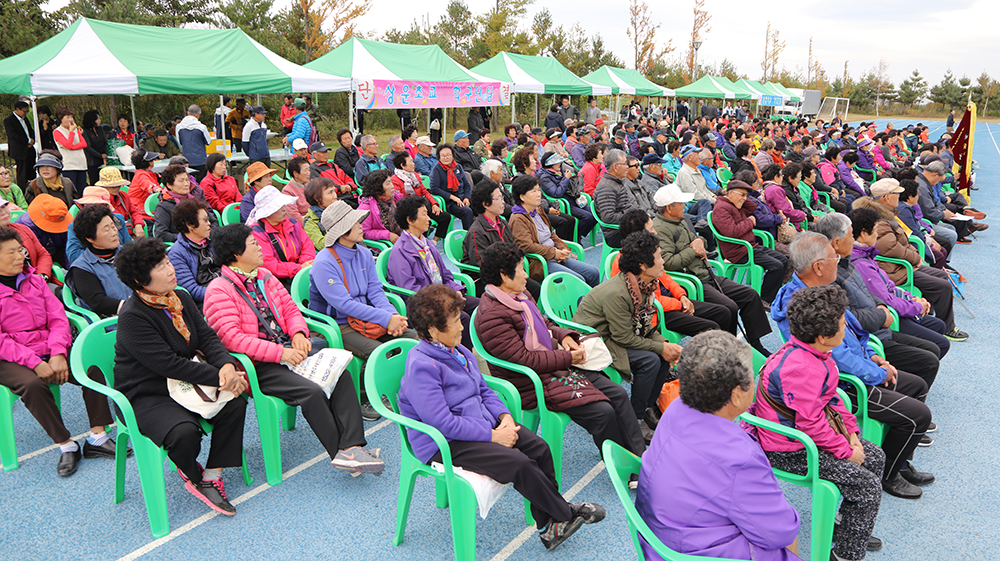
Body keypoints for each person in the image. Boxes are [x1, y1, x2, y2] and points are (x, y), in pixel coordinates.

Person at [398, 284, 606, 550]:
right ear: (433, 331)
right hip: (445, 443)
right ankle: (563, 513)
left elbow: (483, 389)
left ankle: (547, 525)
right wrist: (493, 436)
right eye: (454, 323)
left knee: (539, 448)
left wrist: (503, 415)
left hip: (481, 422)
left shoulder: (458, 351)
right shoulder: (422, 367)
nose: (462, 328)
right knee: (520, 464)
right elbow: (443, 423)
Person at [203, 223, 383, 474]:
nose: (258, 246)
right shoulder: (219, 290)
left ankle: (351, 446)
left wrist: (298, 333)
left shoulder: (264, 276)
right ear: (235, 253)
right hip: (259, 365)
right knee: (311, 392)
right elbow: (233, 339)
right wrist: (280, 353)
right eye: (252, 243)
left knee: (340, 372)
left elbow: (290, 310)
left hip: (289, 352)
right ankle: (342, 452)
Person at [771, 233, 936, 501]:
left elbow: (858, 333)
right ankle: (889, 475)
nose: (839, 260)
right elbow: (833, 357)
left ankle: (899, 461)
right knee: (919, 416)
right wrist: (878, 373)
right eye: (834, 257)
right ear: (818, 266)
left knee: (917, 384)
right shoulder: (805, 306)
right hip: (844, 386)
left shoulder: (825, 291)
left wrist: (873, 356)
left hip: (857, 369)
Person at [637, 331, 802, 561]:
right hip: (697, 552)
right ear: (736, 395)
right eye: (752, 377)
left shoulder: (675, 410)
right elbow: (779, 534)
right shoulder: (739, 457)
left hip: (659, 540)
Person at [113, 237, 248, 515]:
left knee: (236, 401)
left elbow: (208, 337)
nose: (170, 269)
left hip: (184, 383)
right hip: (146, 392)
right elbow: (169, 365)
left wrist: (226, 366)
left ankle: (210, 477)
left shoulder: (180, 297)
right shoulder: (133, 317)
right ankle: (190, 472)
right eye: (161, 267)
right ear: (140, 280)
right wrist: (221, 377)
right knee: (184, 432)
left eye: (167, 262)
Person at [476, 241, 645, 456]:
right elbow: (524, 360)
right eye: (520, 268)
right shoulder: (492, 315)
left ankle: (638, 457)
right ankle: (620, 462)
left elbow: (544, 323)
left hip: (555, 366)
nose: (526, 274)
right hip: (531, 382)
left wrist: (564, 336)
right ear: (503, 275)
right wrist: (568, 357)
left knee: (618, 394)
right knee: (603, 411)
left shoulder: (520, 296)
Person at [755, 285, 884, 561]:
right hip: (788, 450)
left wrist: (851, 433)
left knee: (875, 457)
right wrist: (847, 451)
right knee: (868, 487)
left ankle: (846, 525)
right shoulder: (801, 367)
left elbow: (831, 401)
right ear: (825, 337)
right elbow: (811, 424)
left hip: (804, 435)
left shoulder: (814, 353)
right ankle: (847, 555)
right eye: (841, 323)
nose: (845, 326)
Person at [0, 225, 123, 477]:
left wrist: (57, 353)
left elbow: (57, 319)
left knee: (90, 366)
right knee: (32, 385)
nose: (20, 257)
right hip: (11, 356)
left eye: (20, 250)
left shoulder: (34, 280)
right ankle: (66, 444)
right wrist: (34, 362)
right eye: (11, 252)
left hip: (47, 346)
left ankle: (97, 437)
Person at [308, 200, 417, 419]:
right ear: (341, 232)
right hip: (339, 324)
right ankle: (363, 396)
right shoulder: (324, 262)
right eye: (355, 222)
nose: (361, 225)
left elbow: (376, 291)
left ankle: (405, 386)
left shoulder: (363, 253)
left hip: (367, 319)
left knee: (412, 337)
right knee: (376, 350)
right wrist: (386, 320)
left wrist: (392, 316)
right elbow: (344, 305)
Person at [573, 231, 682, 427]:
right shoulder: (618, 293)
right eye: (658, 257)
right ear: (642, 265)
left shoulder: (643, 285)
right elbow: (624, 337)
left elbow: (643, 324)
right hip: (595, 340)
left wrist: (665, 344)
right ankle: (635, 418)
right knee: (650, 360)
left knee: (663, 356)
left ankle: (648, 407)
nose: (662, 261)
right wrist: (660, 348)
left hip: (613, 334)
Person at [653, 184, 773, 355]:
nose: (685, 206)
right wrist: (692, 249)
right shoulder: (660, 229)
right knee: (729, 307)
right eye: (681, 203)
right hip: (691, 279)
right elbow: (669, 263)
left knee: (750, 295)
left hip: (705, 272)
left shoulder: (680, 219)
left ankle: (756, 343)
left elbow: (696, 238)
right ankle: (727, 352)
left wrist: (700, 241)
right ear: (669, 207)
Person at [854, 178, 966, 340]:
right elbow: (890, 247)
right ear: (886, 197)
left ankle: (928, 314)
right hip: (894, 268)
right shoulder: (878, 217)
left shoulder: (887, 212)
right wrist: (915, 257)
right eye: (897, 194)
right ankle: (947, 328)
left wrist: (914, 254)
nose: (900, 196)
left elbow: (904, 239)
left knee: (941, 276)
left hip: (901, 264)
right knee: (942, 286)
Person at [614, 209, 731, 339]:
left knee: (723, 312)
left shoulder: (648, 252)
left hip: (670, 301)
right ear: (640, 235)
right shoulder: (627, 262)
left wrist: (681, 296)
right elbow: (646, 302)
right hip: (657, 312)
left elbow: (666, 278)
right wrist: (680, 304)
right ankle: (714, 356)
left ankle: (729, 353)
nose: (656, 232)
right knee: (712, 327)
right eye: (652, 229)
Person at [388, 196, 480, 348]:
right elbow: (409, 289)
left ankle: (474, 349)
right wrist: (444, 298)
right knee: (461, 317)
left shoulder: (427, 244)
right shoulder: (400, 251)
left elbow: (445, 273)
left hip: (441, 296)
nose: (429, 219)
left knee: (480, 305)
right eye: (424, 214)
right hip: (423, 305)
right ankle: (461, 356)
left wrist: (455, 290)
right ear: (410, 220)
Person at [509, 175, 599, 287]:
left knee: (594, 272)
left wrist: (563, 248)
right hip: (540, 262)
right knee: (577, 280)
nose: (538, 194)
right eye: (533, 191)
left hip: (555, 255)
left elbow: (551, 234)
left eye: (538, 190)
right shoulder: (518, 218)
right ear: (522, 197)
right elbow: (527, 246)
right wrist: (554, 253)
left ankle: (593, 303)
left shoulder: (537, 211)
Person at [712, 181, 788, 304]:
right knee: (776, 266)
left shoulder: (735, 205)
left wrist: (741, 198)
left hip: (750, 247)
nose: (744, 198)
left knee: (783, 259)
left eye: (746, 195)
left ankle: (772, 296)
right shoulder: (721, 208)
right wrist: (749, 222)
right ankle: (765, 299)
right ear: (730, 193)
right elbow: (732, 232)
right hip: (739, 251)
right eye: (742, 194)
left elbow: (752, 207)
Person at [463, 179, 541, 299]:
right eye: (499, 198)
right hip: (486, 278)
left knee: (534, 288)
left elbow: (513, 249)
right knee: (523, 293)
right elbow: (481, 264)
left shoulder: (503, 222)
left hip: (507, 273)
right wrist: (508, 275)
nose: (503, 202)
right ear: (485, 204)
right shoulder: (476, 231)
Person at [65, 203, 133, 316]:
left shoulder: (129, 253)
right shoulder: (82, 268)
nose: (114, 233)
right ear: (90, 237)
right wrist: (134, 308)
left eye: (113, 226)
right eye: (107, 230)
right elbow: (97, 301)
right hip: (112, 324)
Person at [245, 185, 315, 286]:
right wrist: (298, 268)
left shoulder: (293, 223)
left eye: (283, 204)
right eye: (278, 206)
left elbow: (308, 245)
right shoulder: (257, 233)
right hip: (276, 282)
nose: (284, 209)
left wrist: (304, 265)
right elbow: (269, 264)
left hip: (302, 272)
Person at [167, 198, 221, 304]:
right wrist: (224, 293)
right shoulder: (177, 254)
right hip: (206, 302)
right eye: (205, 220)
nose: (209, 223)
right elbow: (192, 291)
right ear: (190, 225)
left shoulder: (212, 242)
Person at [536, 152, 597, 240]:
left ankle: (576, 235)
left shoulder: (558, 171)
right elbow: (556, 193)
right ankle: (575, 237)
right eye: (557, 162)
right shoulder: (545, 177)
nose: (560, 163)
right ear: (551, 164)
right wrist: (566, 179)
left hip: (572, 200)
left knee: (594, 213)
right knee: (588, 217)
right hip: (565, 204)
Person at [65, 187, 132, 266]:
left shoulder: (118, 219)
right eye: (88, 206)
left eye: (97, 206)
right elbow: (74, 256)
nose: (93, 210)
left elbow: (128, 246)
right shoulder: (75, 226)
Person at [391, 152, 449, 240]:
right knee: (421, 220)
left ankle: (434, 241)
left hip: (422, 206)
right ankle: (421, 242)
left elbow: (425, 192)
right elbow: (400, 201)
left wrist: (434, 204)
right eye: (411, 162)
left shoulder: (415, 176)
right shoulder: (395, 180)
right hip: (409, 210)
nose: (414, 164)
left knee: (445, 217)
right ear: (403, 165)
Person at [154, 164, 216, 243]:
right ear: (169, 185)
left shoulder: (194, 201)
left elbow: (213, 221)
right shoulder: (164, 206)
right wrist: (189, 237)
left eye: (187, 180)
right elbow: (161, 234)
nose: (186, 184)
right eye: (181, 181)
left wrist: (207, 234)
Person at [16, 194, 71, 268]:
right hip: (35, 257)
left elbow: (69, 247)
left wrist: (71, 270)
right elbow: (35, 254)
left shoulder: (63, 219)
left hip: (55, 250)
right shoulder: (26, 226)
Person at [429, 143, 475, 230]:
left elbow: (467, 185)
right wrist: (453, 198)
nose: (446, 157)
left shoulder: (458, 167)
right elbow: (434, 189)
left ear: (453, 155)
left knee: (481, 206)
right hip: (449, 202)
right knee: (466, 211)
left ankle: (480, 234)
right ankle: (469, 238)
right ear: (439, 157)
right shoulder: (437, 169)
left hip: (462, 197)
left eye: (448, 155)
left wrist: (466, 198)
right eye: (443, 155)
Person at [594, 149, 634, 248]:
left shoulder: (617, 182)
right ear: (615, 167)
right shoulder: (607, 187)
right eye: (625, 164)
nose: (627, 167)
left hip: (625, 227)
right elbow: (608, 217)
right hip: (616, 233)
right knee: (653, 238)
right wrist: (632, 218)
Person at [48, 107, 88, 193]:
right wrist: (71, 132)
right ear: (61, 118)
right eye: (67, 117)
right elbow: (68, 144)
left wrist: (72, 147)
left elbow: (84, 143)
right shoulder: (57, 131)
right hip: (69, 165)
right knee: (71, 190)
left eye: (71, 117)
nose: (70, 120)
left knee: (82, 190)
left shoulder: (75, 129)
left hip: (81, 164)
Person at [357, 169, 402, 244]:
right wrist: (387, 235)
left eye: (391, 182)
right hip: (384, 245)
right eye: (388, 184)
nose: (392, 186)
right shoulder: (366, 208)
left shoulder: (395, 198)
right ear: (378, 187)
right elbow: (363, 232)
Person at [4, 101, 36, 191]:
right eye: (24, 111)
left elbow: (30, 130)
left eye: (27, 111)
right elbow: (13, 135)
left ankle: (32, 188)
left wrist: (32, 140)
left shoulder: (25, 119)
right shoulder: (9, 120)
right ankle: (22, 191)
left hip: (29, 149)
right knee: (22, 173)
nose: (26, 113)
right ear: (17, 109)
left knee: (31, 171)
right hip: (19, 150)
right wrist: (27, 141)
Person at [176, 105, 211, 179]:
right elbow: (208, 141)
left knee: (188, 181)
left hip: (186, 159)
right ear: (198, 114)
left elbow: (180, 142)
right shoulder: (201, 127)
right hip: (200, 159)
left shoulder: (179, 126)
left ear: (187, 113)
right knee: (201, 182)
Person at [79, 110, 107, 185]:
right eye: (97, 119)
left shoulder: (100, 129)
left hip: (103, 160)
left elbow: (105, 141)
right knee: (95, 182)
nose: (99, 121)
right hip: (92, 161)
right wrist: (99, 155)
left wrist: (105, 153)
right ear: (92, 120)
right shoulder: (84, 131)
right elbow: (87, 147)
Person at [280, 156, 311, 222]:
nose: (309, 173)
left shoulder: (310, 184)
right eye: (306, 170)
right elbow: (294, 216)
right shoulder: (287, 191)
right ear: (296, 174)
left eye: (309, 170)